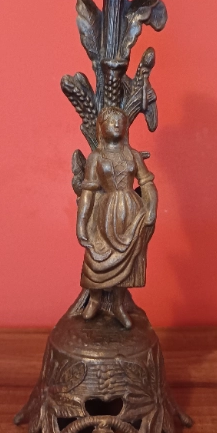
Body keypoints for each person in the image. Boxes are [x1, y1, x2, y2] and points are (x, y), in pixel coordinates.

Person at [76, 106, 157, 328]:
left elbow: (147, 183)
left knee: (128, 259)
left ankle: (119, 304)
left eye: (120, 122)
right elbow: (88, 192)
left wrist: (151, 208)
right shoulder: (96, 157)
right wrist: (81, 224)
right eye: (111, 121)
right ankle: (95, 299)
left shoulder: (133, 155)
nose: (116, 125)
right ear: (101, 128)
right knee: (96, 255)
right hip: (105, 214)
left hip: (131, 213)